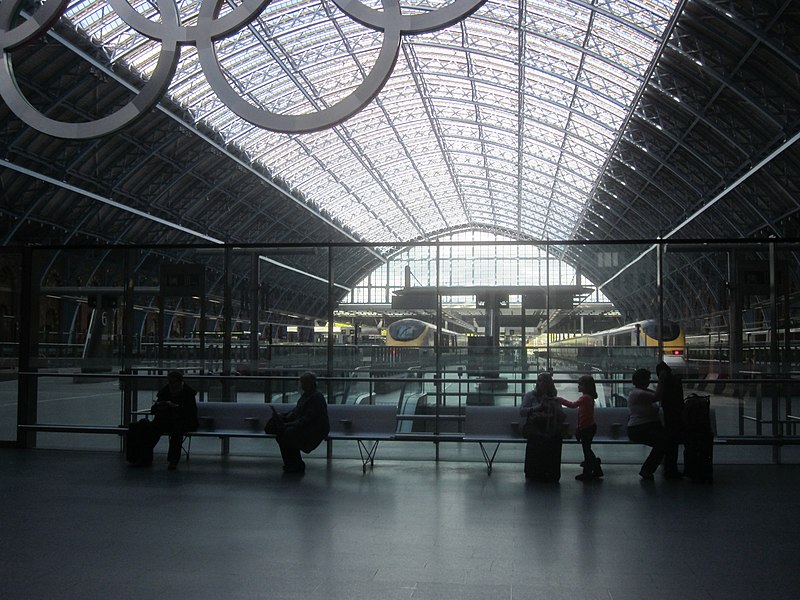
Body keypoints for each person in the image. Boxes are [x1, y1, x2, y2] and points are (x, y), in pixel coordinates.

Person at [270, 372, 330, 473]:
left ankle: (294, 463)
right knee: (284, 433)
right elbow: (298, 412)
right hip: (308, 427)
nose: (301, 385)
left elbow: (307, 418)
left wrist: (288, 423)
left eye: (303, 383)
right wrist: (285, 416)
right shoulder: (310, 396)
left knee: (287, 433)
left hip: (314, 429)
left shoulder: (315, 397)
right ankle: (293, 463)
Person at [522, 372, 566, 482]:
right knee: (544, 437)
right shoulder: (530, 396)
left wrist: (554, 406)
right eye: (539, 380)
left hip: (546, 425)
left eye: (544, 381)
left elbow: (562, 416)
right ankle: (542, 471)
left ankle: (544, 471)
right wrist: (538, 407)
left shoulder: (553, 398)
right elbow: (522, 412)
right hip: (534, 425)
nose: (541, 383)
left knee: (552, 437)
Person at [152, 371, 198, 470]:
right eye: (169, 382)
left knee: (176, 430)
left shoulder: (188, 393)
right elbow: (154, 409)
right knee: (154, 428)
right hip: (169, 420)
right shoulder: (166, 391)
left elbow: (190, 412)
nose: (171, 385)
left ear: (179, 382)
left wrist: (176, 407)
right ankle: (145, 454)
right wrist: (160, 406)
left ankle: (173, 460)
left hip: (184, 421)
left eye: (173, 382)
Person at [626, 368, 668, 480]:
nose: (649, 381)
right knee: (662, 442)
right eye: (647, 379)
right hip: (640, 428)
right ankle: (647, 469)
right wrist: (662, 380)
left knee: (663, 442)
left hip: (642, 427)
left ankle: (648, 469)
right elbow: (657, 396)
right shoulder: (639, 394)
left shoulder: (640, 392)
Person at [560, 375, 603, 481]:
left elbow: (572, 405)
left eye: (580, 384)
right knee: (587, 449)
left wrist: (559, 399)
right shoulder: (589, 398)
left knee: (586, 450)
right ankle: (594, 468)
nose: (578, 386)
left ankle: (590, 469)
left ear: (586, 386)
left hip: (586, 428)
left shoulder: (584, 398)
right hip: (590, 427)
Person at [654, 361, 685, 479]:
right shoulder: (675, 381)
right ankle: (671, 469)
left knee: (669, 443)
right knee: (672, 444)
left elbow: (657, 396)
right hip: (676, 417)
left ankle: (669, 468)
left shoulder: (666, 383)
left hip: (670, 418)